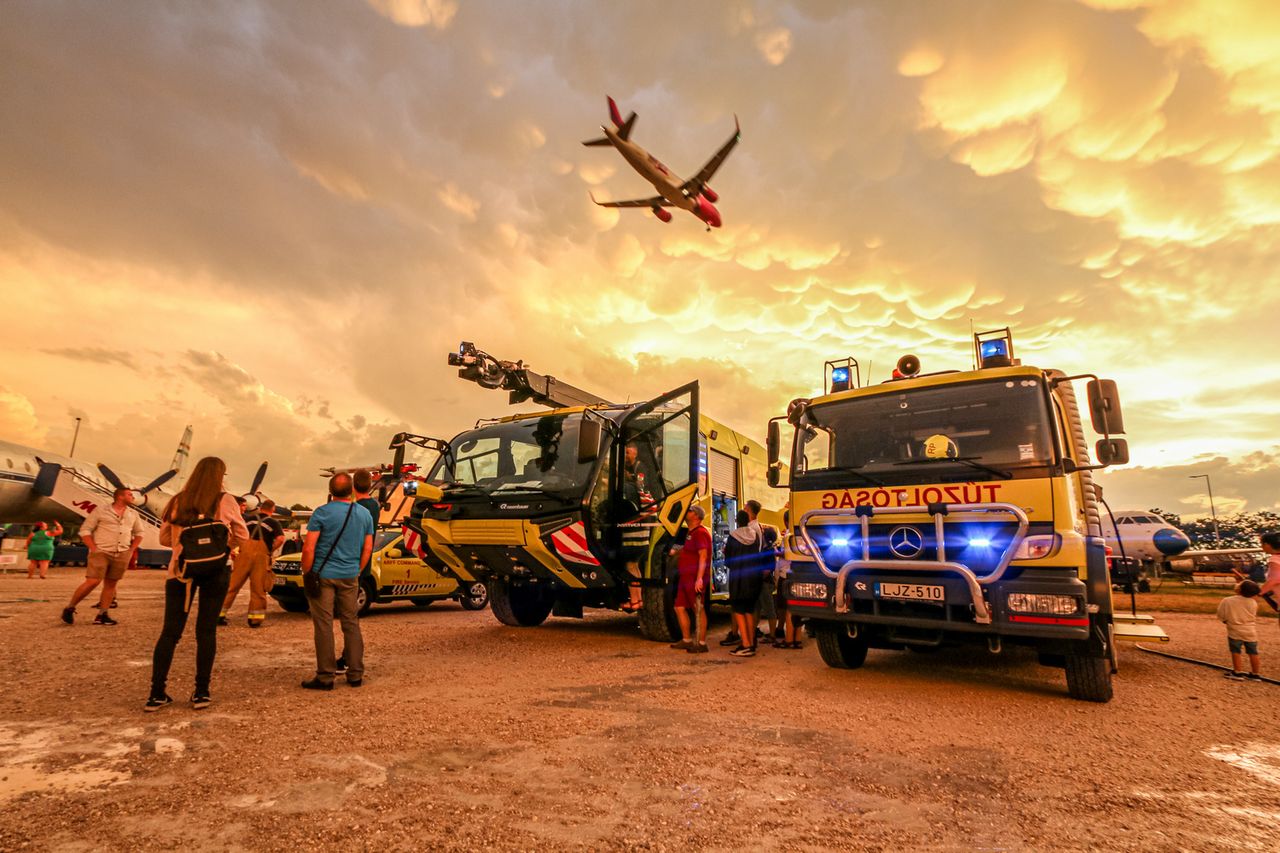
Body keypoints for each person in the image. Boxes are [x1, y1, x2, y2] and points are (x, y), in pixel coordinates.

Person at [146, 457, 249, 712]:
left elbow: (163, 538)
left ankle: (156, 694)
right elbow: (243, 535)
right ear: (220, 476)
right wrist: (224, 547)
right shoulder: (226, 500)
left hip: (180, 572)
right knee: (206, 632)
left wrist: (185, 547)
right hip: (216, 571)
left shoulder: (177, 500)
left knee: (170, 633)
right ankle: (202, 692)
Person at [301, 473, 374, 690]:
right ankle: (355, 674)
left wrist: (308, 572)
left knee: (323, 624)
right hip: (350, 574)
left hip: (323, 575)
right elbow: (368, 548)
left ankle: (325, 676)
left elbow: (309, 547)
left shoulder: (322, 513)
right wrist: (357, 570)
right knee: (351, 623)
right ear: (351, 490)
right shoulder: (364, 514)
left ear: (331, 490)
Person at [61, 488, 142, 625]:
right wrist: (93, 548)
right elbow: (85, 530)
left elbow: (139, 533)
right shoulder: (100, 510)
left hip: (122, 552)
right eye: (130, 494)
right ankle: (70, 608)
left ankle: (102, 614)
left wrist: (131, 550)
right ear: (120, 496)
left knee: (111, 584)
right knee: (93, 581)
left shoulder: (133, 514)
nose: (133, 497)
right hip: (101, 551)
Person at [219, 498, 283, 628]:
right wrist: (270, 550)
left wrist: (230, 549)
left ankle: (218, 614)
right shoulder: (273, 522)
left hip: (244, 554)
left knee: (232, 585)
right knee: (258, 588)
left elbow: (236, 534)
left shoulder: (247, 519)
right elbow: (281, 539)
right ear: (273, 509)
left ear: (260, 508)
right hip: (261, 557)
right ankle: (255, 619)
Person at [671, 504, 712, 654]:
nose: (686, 512)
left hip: (694, 578)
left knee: (698, 608)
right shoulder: (691, 533)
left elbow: (703, 555)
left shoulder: (700, 533)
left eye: (689, 511)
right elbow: (690, 549)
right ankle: (687, 639)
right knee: (679, 607)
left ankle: (701, 643)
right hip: (685, 577)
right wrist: (676, 551)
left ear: (696, 516)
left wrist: (699, 579)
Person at [724, 510, 762, 657]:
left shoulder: (733, 537)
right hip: (753, 577)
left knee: (738, 610)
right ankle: (752, 642)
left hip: (738, 578)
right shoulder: (755, 535)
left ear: (736, 521)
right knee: (749, 610)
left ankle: (745, 644)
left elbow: (728, 561)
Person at [745, 500, 780, 644]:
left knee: (769, 608)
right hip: (761, 580)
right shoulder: (768, 549)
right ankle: (753, 632)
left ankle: (772, 635)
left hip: (764, 582)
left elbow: (768, 569)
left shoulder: (767, 550)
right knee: (757, 609)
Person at [1218, 580, 1263, 681]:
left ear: (1239, 589)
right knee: (1253, 652)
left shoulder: (1227, 600)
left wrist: (1226, 621)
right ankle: (1255, 674)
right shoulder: (1253, 602)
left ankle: (1237, 672)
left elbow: (1221, 614)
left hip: (1235, 630)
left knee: (1236, 651)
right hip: (1250, 631)